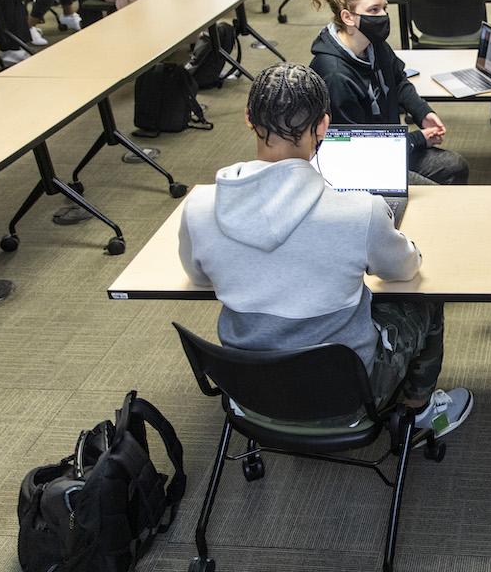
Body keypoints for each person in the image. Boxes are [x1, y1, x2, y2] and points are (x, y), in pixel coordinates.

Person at [178, 62, 472, 435]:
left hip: (251, 388)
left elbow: (197, 275)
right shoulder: (358, 211)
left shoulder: (199, 207)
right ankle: (419, 412)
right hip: (344, 393)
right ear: (323, 127)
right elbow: (405, 269)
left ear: (249, 117)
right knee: (425, 299)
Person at [308, 0, 469, 185]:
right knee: (432, 193)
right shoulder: (335, 75)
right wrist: (418, 139)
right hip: (361, 165)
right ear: (347, 17)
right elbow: (359, 148)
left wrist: (422, 112)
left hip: (388, 146)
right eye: (373, 10)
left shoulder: (373, 44)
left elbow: (398, 81)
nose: (383, 15)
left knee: (455, 166)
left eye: (384, 8)